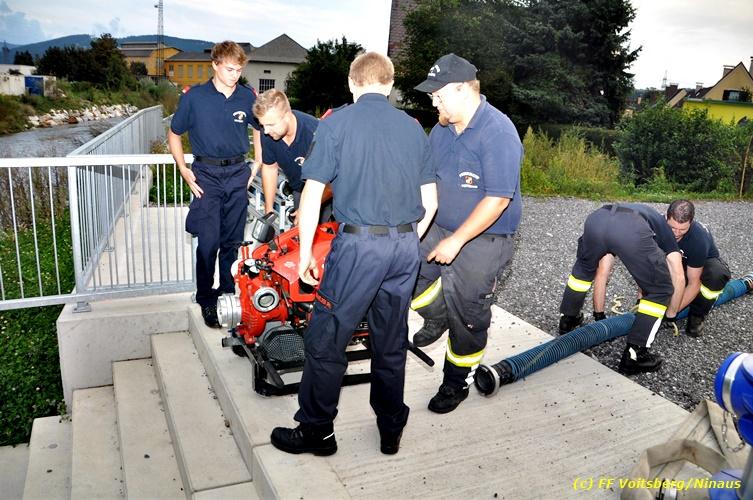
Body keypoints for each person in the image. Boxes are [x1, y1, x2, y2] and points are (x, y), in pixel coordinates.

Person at [270, 52, 437, 456]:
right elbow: (430, 202)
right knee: (390, 342)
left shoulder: (336, 123)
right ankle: (390, 430)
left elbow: (312, 195)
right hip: (404, 247)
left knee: (327, 340)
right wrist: (404, 241)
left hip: (358, 248)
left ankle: (317, 432)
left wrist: (306, 254)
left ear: (351, 83)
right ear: (390, 85)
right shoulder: (413, 128)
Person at [410, 53, 523, 414]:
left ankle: (455, 382)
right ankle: (439, 314)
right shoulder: (441, 131)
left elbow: (498, 199)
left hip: (485, 238)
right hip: (440, 225)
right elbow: (426, 181)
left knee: (469, 315)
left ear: (462, 89)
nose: (434, 102)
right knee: (405, 271)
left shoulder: (497, 131)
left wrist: (457, 240)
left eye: (438, 95)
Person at [168, 41, 262, 328]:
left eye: (239, 70)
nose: (235, 75)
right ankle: (206, 298)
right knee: (208, 243)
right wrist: (183, 169)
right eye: (229, 69)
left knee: (231, 242)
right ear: (215, 65)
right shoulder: (195, 98)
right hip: (206, 175)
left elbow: (260, 128)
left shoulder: (246, 96)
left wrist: (257, 163)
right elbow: (174, 133)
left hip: (237, 173)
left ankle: (227, 293)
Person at [558, 203, 685, 374]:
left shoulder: (644, 213)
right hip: (630, 228)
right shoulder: (663, 229)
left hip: (597, 218)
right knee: (660, 290)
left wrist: (599, 315)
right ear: (667, 220)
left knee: (582, 272)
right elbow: (678, 273)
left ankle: (568, 320)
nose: (677, 233)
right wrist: (671, 314)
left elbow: (602, 271)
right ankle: (635, 355)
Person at [592, 200, 730, 337]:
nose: (676, 233)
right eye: (672, 228)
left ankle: (697, 315)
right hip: (676, 264)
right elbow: (645, 266)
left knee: (716, 275)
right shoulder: (654, 227)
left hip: (700, 267)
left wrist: (670, 313)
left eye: (682, 229)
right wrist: (641, 301)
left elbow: (694, 282)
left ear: (691, 222)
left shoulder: (699, 238)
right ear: (666, 218)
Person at [251, 89, 332, 224]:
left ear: (287, 115)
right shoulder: (268, 132)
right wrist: (268, 210)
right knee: (298, 231)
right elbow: (270, 169)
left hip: (325, 190)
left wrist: (306, 207)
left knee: (321, 233)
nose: (266, 131)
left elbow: (332, 183)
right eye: (262, 125)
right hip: (299, 189)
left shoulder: (315, 132)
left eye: (270, 124)